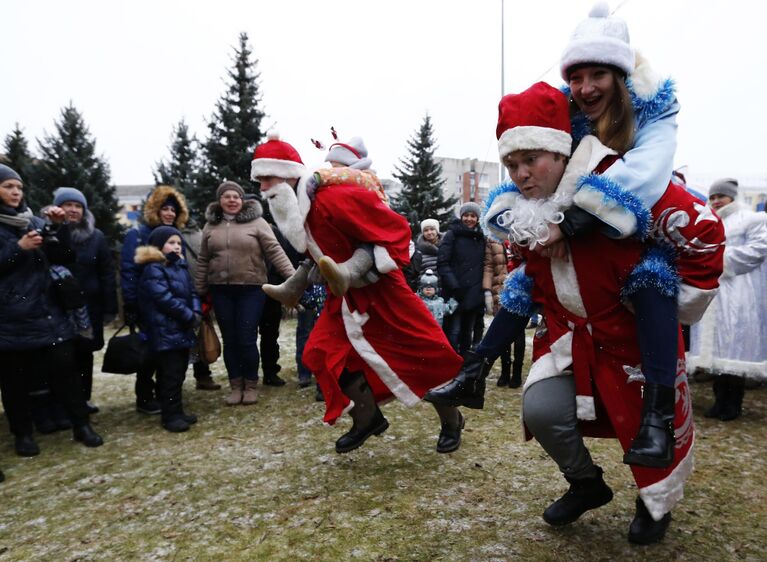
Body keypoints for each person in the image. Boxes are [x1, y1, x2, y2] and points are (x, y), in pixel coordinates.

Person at [427, 82, 719, 544]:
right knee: (540, 408)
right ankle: (586, 483)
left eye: (531, 160)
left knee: (644, 432)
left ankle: (655, 502)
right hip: (570, 341)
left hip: (635, 342)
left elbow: (702, 231)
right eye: (512, 164)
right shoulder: (523, 212)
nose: (521, 174)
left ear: (562, 153)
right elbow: (527, 286)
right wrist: (480, 358)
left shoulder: (620, 183)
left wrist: (678, 296)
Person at [253, 132, 465, 454]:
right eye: (259, 181)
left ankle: (452, 419)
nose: (263, 189)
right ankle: (367, 417)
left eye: (267, 179)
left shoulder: (331, 198)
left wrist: (362, 267)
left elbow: (395, 229)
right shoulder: (300, 210)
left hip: (384, 294)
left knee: (422, 356)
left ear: (287, 175)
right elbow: (320, 251)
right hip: (345, 299)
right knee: (323, 353)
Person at [0, 164, 103, 456]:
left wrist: (58, 229)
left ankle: (81, 426)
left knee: (66, 371)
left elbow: (64, 256)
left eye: (18, 187)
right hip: (11, 316)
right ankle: (22, 434)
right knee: (14, 381)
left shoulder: (31, 221)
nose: (15, 192)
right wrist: (19, 248)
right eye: (8, 186)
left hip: (48, 311)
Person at [194, 181, 295, 406]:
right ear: (219, 201)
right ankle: (235, 386)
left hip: (251, 289)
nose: (232, 200)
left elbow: (275, 251)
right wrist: (200, 289)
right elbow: (203, 259)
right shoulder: (211, 226)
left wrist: (293, 279)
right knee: (230, 340)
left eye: (236, 197)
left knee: (247, 338)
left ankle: (250, 385)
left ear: (242, 200)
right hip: (221, 290)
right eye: (227, 196)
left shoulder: (258, 223)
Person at [688, 178, 767, 421]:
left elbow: (760, 248)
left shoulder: (753, 218)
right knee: (717, 352)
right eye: (712, 197)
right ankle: (720, 400)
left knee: (735, 348)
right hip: (714, 294)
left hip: (738, 293)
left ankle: (732, 404)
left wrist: (721, 260)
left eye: (721, 196)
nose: (716, 201)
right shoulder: (710, 221)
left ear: (733, 196)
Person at [121, 185, 195, 414]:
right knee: (150, 355)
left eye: (173, 210)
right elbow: (128, 271)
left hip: (172, 304)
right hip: (148, 304)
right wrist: (131, 303)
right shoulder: (139, 235)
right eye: (165, 208)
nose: (169, 214)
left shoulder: (176, 238)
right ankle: (145, 396)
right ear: (155, 210)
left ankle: (166, 399)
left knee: (169, 356)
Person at [51, 187, 117, 412]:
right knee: (61, 356)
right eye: (67, 205)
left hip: (89, 306)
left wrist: (110, 307)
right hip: (57, 306)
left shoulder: (95, 237)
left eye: (78, 206)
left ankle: (83, 399)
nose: (72, 210)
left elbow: (107, 272)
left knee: (84, 354)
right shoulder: (49, 234)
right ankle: (61, 403)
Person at [136, 226, 201, 432]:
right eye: (171, 243)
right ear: (158, 246)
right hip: (165, 330)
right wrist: (188, 315)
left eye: (179, 243)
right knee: (170, 375)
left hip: (181, 329)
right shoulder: (154, 268)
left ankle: (177, 410)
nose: (176, 247)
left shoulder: (179, 266)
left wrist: (196, 312)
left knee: (179, 372)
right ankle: (170, 416)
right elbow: (164, 299)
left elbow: (192, 292)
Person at [437, 202, 486, 356]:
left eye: (473, 216)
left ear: (478, 218)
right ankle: (451, 362)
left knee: (467, 332)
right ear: (461, 216)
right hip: (455, 293)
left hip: (474, 293)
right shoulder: (452, 235)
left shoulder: (481, 237)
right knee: (453, 331)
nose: (469, 219)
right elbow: (442, 262)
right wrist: (454, 287)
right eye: (466, 215)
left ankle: (464, 364)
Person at [484, 239, 524, 388]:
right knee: (502, 333)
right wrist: (487, 290)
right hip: (500, 291)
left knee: (518, 334)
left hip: (520, 290)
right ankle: (505, 371)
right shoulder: (493, 239)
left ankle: (517, 373)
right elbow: (488, 266)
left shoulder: (522, 234)